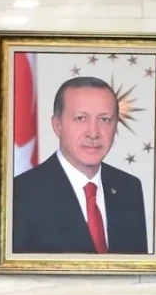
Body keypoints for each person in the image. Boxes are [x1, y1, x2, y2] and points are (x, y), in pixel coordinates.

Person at [11, 76, 148, 255]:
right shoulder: (20, 193)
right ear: (57, 126)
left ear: (115, 126)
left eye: (105, 119)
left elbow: (138, 269)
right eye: (81, 118)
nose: (93, 133)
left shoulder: (129, 188)